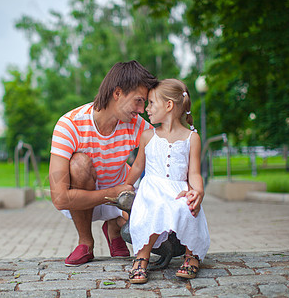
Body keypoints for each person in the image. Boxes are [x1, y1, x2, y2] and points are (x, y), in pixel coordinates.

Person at [49, 60, 158, 267]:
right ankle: (86, 242)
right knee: (79, 164)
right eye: (138, 101)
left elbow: (163, 156)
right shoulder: (69, 125)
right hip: (84, 196)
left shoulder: (137, 125)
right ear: (117, 93)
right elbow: (60, 198)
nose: (142, 109)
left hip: (120, 193)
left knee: (142, 224)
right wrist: (115, 192)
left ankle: (113, 229)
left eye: (145, 103)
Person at [124, 79, 210, 283]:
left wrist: (197, 191)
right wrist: (127, 185)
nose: (147, 109)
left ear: (169, 105)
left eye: (151, 103)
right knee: (154, 210)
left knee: (188, 207)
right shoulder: (148, 136)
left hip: (178, 189)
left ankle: (192, 255)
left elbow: (194, 173)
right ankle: (142, 257)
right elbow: (138, 166)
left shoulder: (192, 138)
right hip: (152, 190)